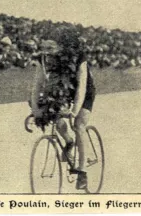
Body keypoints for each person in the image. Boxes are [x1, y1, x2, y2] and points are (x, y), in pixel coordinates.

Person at [30, 32, 96, 190]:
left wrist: (74, 111)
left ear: (61, 48)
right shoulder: (42, 59)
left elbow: (81, 86)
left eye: (51, 48)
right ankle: (68, 141)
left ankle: (82, 171)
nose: (46, 51)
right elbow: (37, 86)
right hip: (60, 91)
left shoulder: (79, 57)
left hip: (84, 92)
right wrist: (35, 109)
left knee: (79, 125)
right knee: (54, 117)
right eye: (44, 47)